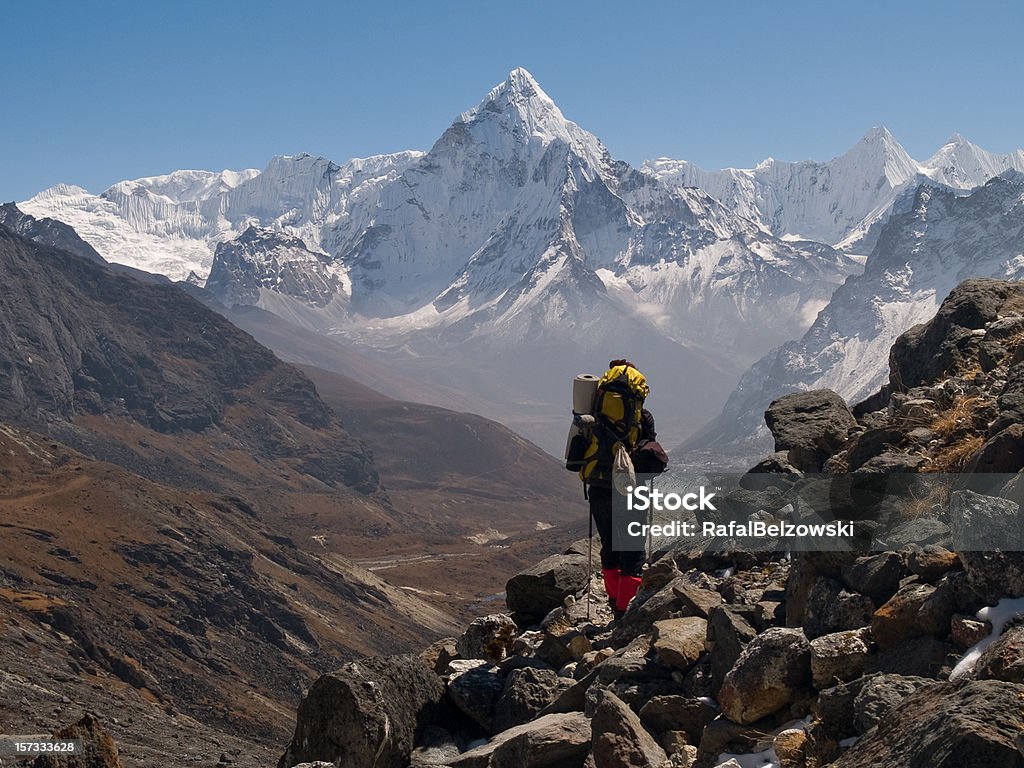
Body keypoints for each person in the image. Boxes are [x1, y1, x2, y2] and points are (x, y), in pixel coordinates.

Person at [580, 359, 660, 616]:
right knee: (633, 549)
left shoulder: (593, 414)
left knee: (610, 544)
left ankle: (615, 602)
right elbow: (649, 449)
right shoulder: (642, 417)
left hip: (598, 485)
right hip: (630, 488)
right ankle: (625, 611)